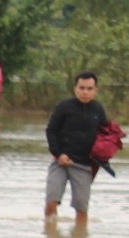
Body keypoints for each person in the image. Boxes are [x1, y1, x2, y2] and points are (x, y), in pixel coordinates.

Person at [45, 71, 108, 225]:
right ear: (75, 89)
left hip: (84, 166)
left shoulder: (98, 110)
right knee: (51, 201)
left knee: (81, 209)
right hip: (60, 162)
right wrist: (59, 154)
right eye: (82, 88)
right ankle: (50, 235)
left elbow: (106, 136)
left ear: (95, 90)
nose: (85, 92)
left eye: (89, 88)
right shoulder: (64, 107)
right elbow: (51, 131)